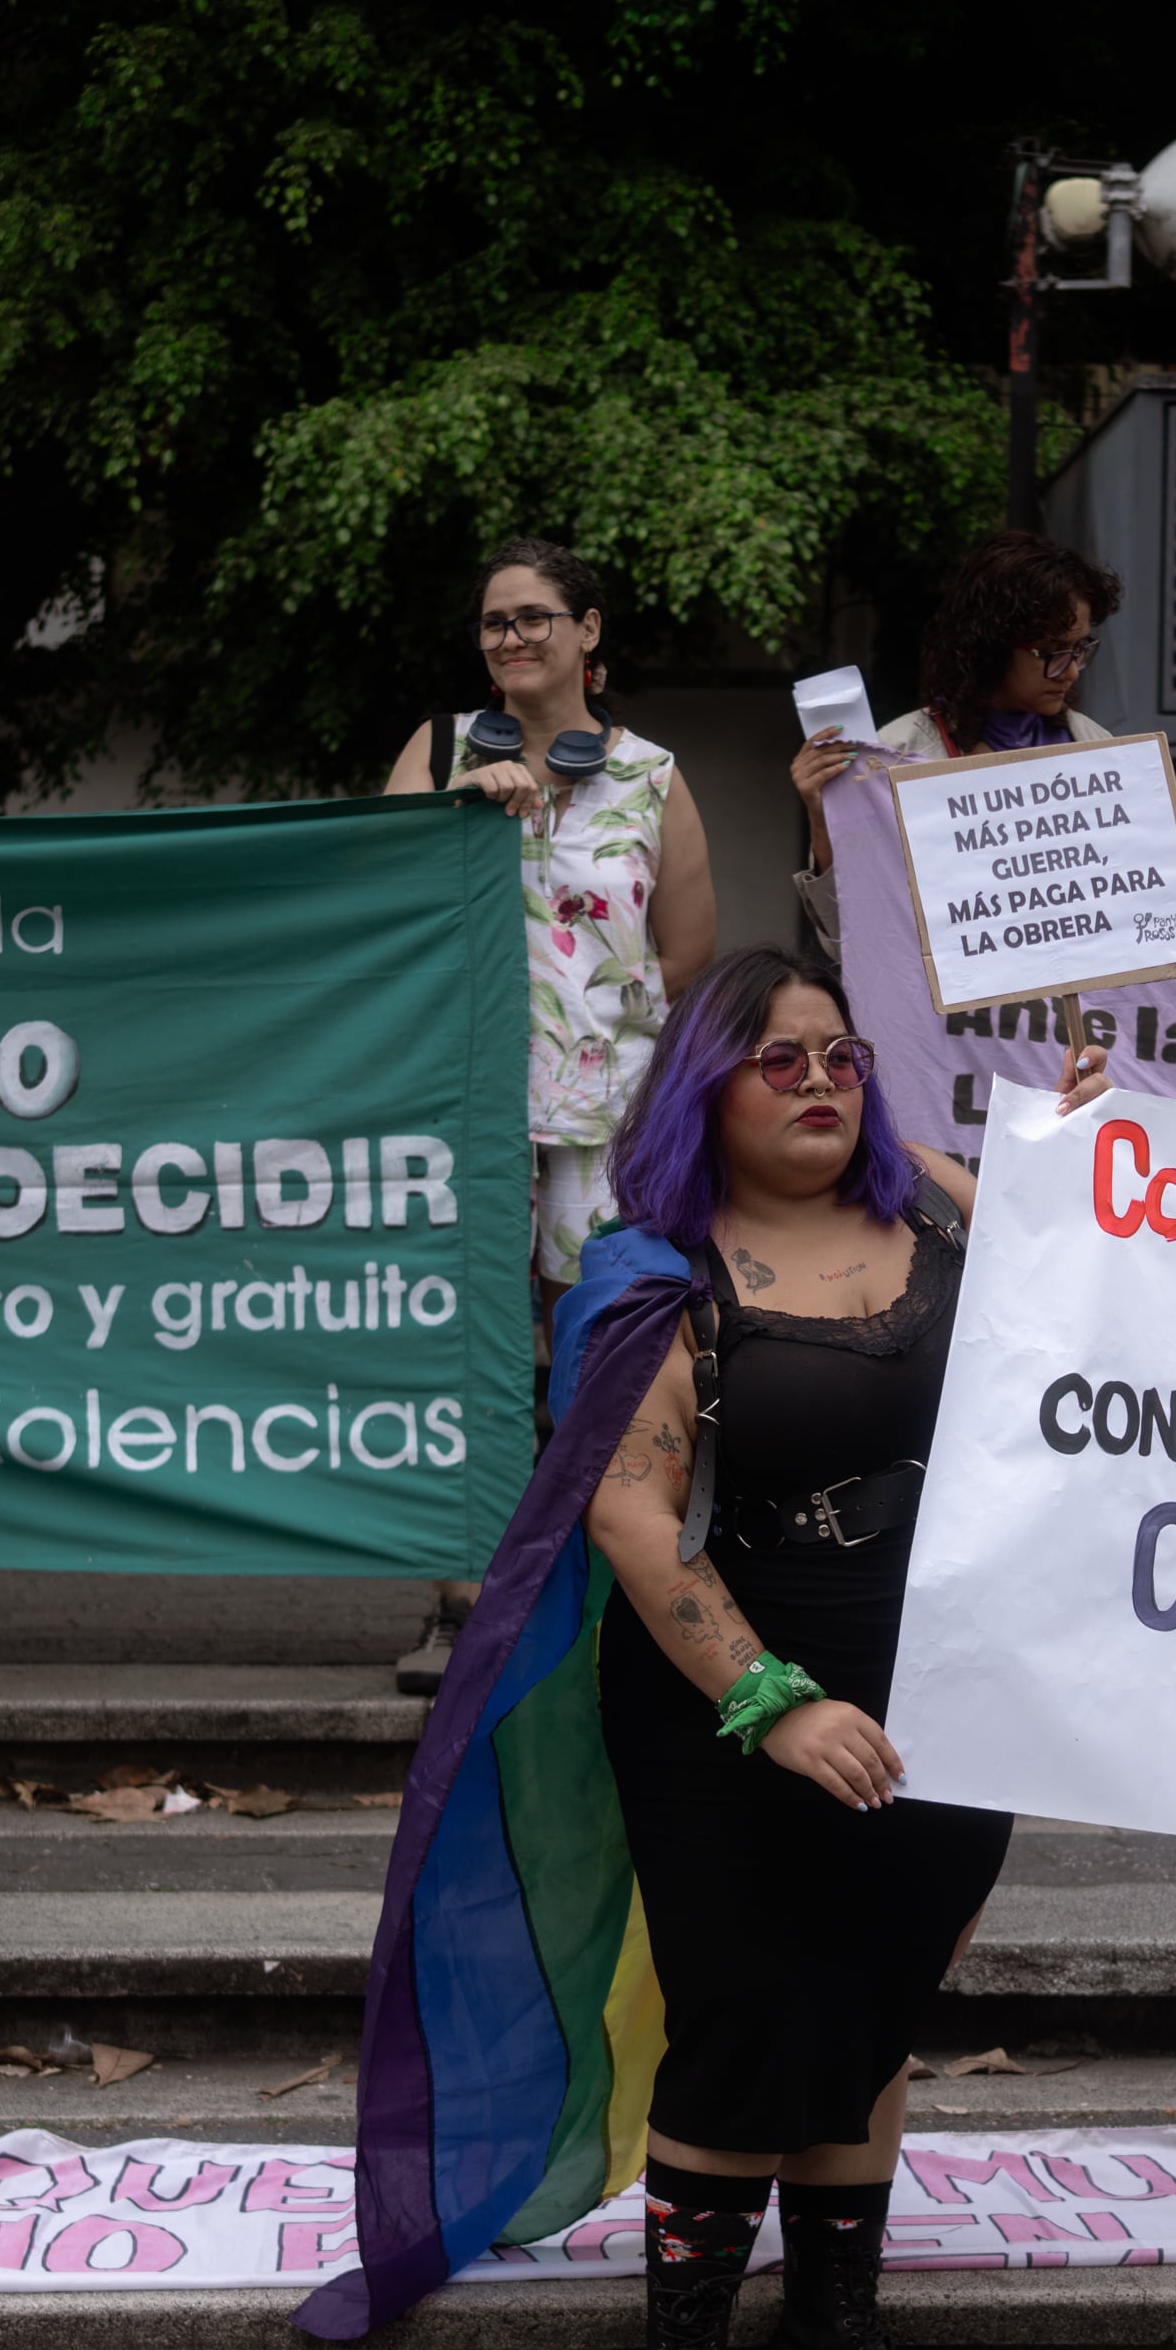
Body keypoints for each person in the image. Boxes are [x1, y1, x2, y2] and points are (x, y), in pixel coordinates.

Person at [575, 947, 1103, 2350]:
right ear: (703, 1092)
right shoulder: (655, 1267)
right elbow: (628, 1509)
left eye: (841, 1054)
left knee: (874, 1997)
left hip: (947, 1684)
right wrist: (777, 1705)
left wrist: (1088, 1154)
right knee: (749, 2014)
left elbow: (1092, 1267)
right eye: (778, 1060)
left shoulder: (938, 1205)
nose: (821, 1081)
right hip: (727, 1696)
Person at [378, 538, 715, 1691]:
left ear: (588, 633)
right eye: (492, 623)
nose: (508, 639)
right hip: (459, 1104)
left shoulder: (652, 776)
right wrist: (458, 813)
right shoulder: (435, 752)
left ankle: (591, 1581)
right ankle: (463, 1592)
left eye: (531, 618)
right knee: (461, 1345)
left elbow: (686, 957)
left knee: (596, 1350)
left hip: (601, 1117)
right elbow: (369, 902)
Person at [786, 531, 1123, 952]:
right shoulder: (894, 753)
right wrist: (822, 816)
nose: (1072, 671)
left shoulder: (1100, 747)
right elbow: (849, 943)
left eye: (1080, 649)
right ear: (992, 646)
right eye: (1052, 651)